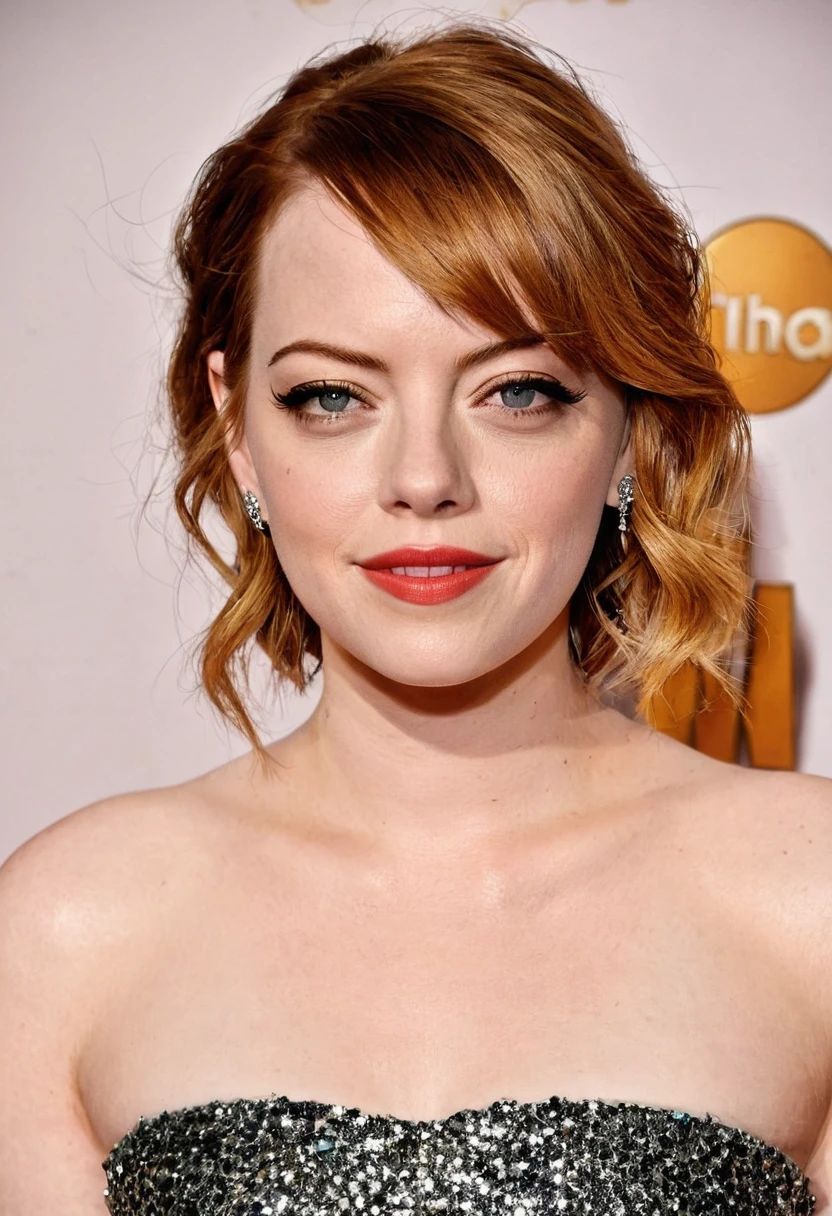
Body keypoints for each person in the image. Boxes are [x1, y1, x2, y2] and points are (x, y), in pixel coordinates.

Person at [0, 19, 830, 1215]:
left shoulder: (808, 900)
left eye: (518, 391)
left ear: (628, 431)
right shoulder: (70, 929)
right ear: (237, 427)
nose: (425, 477)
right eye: (332, 396)